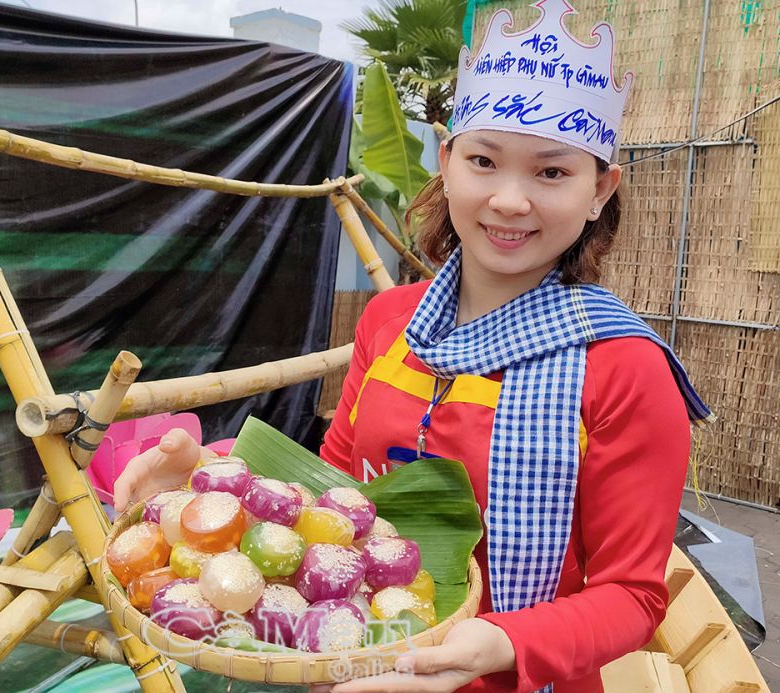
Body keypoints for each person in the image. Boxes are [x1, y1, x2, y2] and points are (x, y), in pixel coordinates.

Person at [113, 1, 713, 690]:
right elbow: (330, 494)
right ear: (448, 162)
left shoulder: (626, 370)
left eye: (552, 173)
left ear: (600, 190)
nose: (510, 200)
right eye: (485, 161)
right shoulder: (391, 321)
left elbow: (633, 596)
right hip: (348, 661)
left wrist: (494, 642)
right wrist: (210, 484)